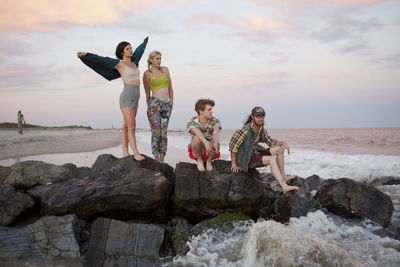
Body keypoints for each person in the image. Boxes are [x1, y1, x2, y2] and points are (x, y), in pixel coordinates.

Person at [77, 37, 149, 161]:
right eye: (127, 49)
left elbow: (139, 51)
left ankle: (125, 152)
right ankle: (136, 153)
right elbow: (102, 60)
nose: (131, 50)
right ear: (122, 52)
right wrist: (86, 55)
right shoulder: (119, 64)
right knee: (132, 126)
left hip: (136, 98)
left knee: (126, 126)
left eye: (131, 48)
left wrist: (145, 42)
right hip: (126, 97)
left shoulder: (134, 62)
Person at [229, 106, 299, 193]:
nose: (260, 119)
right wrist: (234, 164)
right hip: (245, 158)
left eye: (262, 116)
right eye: (257, 116)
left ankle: (283, 176)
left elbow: (271, 142)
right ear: (252, 117)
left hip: (254, 152)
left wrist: (283, 143)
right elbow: (233, 146)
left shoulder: (261, 129)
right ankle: (284, 187)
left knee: (280, 149)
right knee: (271, 159)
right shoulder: (245, 130)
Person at [143, 51, 174, 162]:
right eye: (157, 58)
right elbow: (147, 93)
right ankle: (156, 157)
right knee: (156, 132)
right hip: (154, 104)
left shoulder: (165, 70)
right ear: (151, 60)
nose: (159, 61)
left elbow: (170, 86)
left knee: (163, 133)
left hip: (166, 104)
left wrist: (171, 101)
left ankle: (162, 157)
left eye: (160, 58)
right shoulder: (147, 74)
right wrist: (150, 107)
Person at [187, 99, 221, 172]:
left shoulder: (215, 120)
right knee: (196, 138)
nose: (211, 112)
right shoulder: (193, 121)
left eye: (211, 109)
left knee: (217, 142)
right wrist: (205, 142)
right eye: (209, 110)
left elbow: (216, 132)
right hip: (198, 151)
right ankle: (200, 161)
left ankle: (209, 161)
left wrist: (215, 144)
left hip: (210, 151)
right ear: (201, 111)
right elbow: (196, 131)